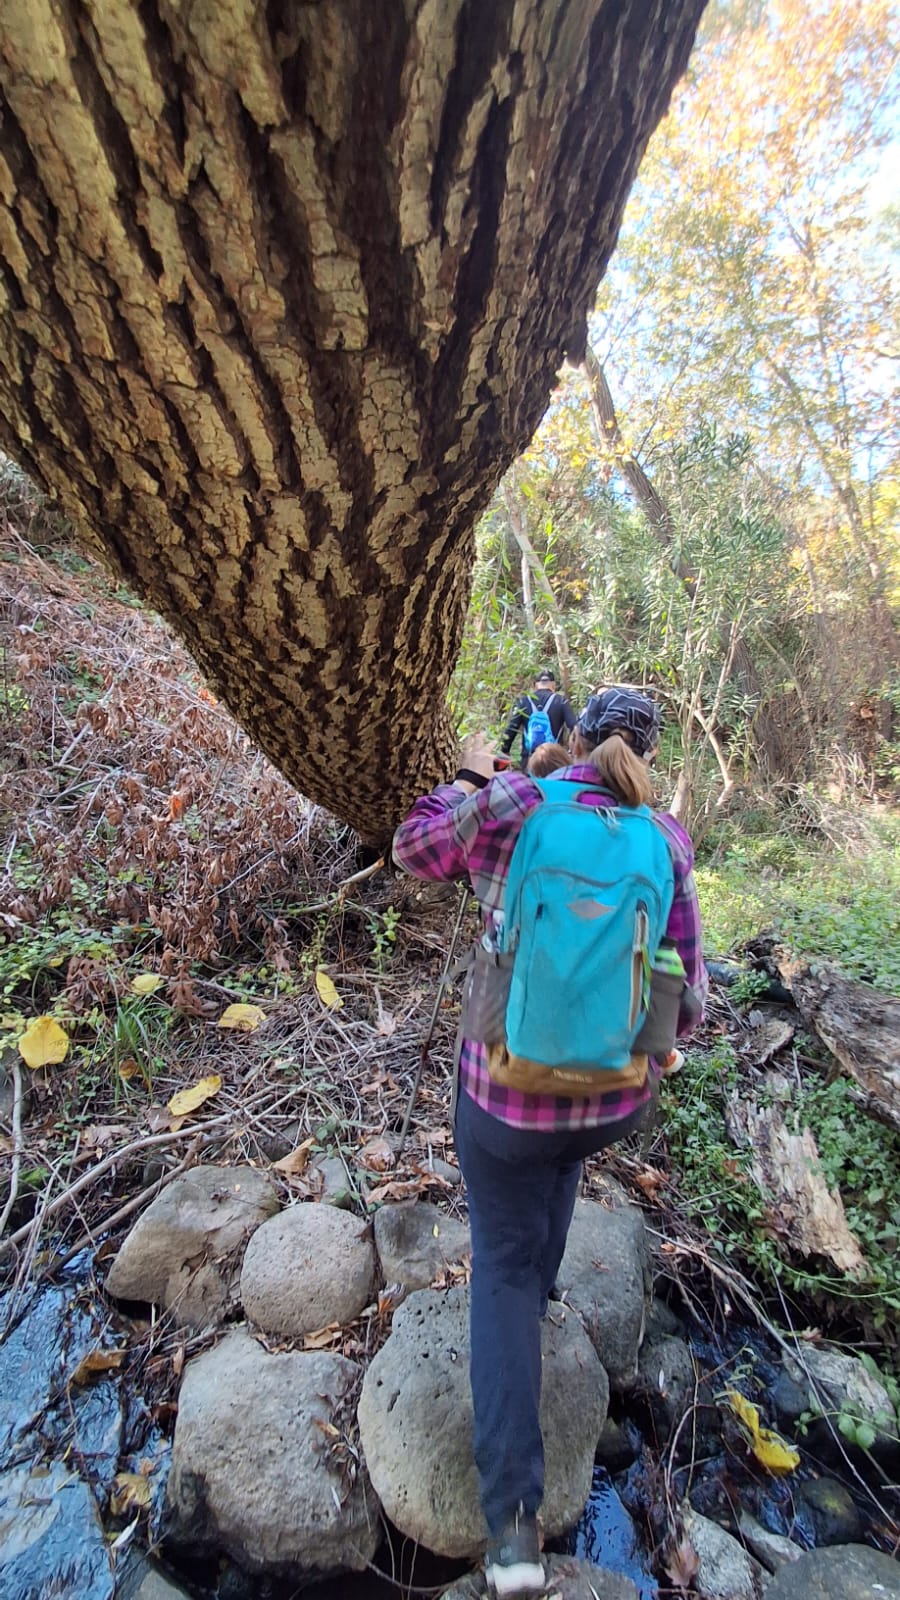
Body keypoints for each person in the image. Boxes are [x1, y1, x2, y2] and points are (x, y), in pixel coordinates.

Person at [393, 687, 706, 1599]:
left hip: (504, 1096)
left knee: (499, 1265)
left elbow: (412, 846)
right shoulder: (666, 840)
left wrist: (465, 776)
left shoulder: (516, 803)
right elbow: (689, 996)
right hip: (611, 1099)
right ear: (649, 753)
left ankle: (514, 1530)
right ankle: (544, 1291)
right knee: (562, 1160)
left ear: (575, 736)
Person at [499, 668, 576, 767]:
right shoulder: (561, 701)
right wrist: (572, 752)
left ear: (535, 685)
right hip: (554, 760)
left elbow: (511, 728)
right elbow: (574, 727)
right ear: (553, 685)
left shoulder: (523, 701)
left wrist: (504, 751)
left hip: (529, 759)